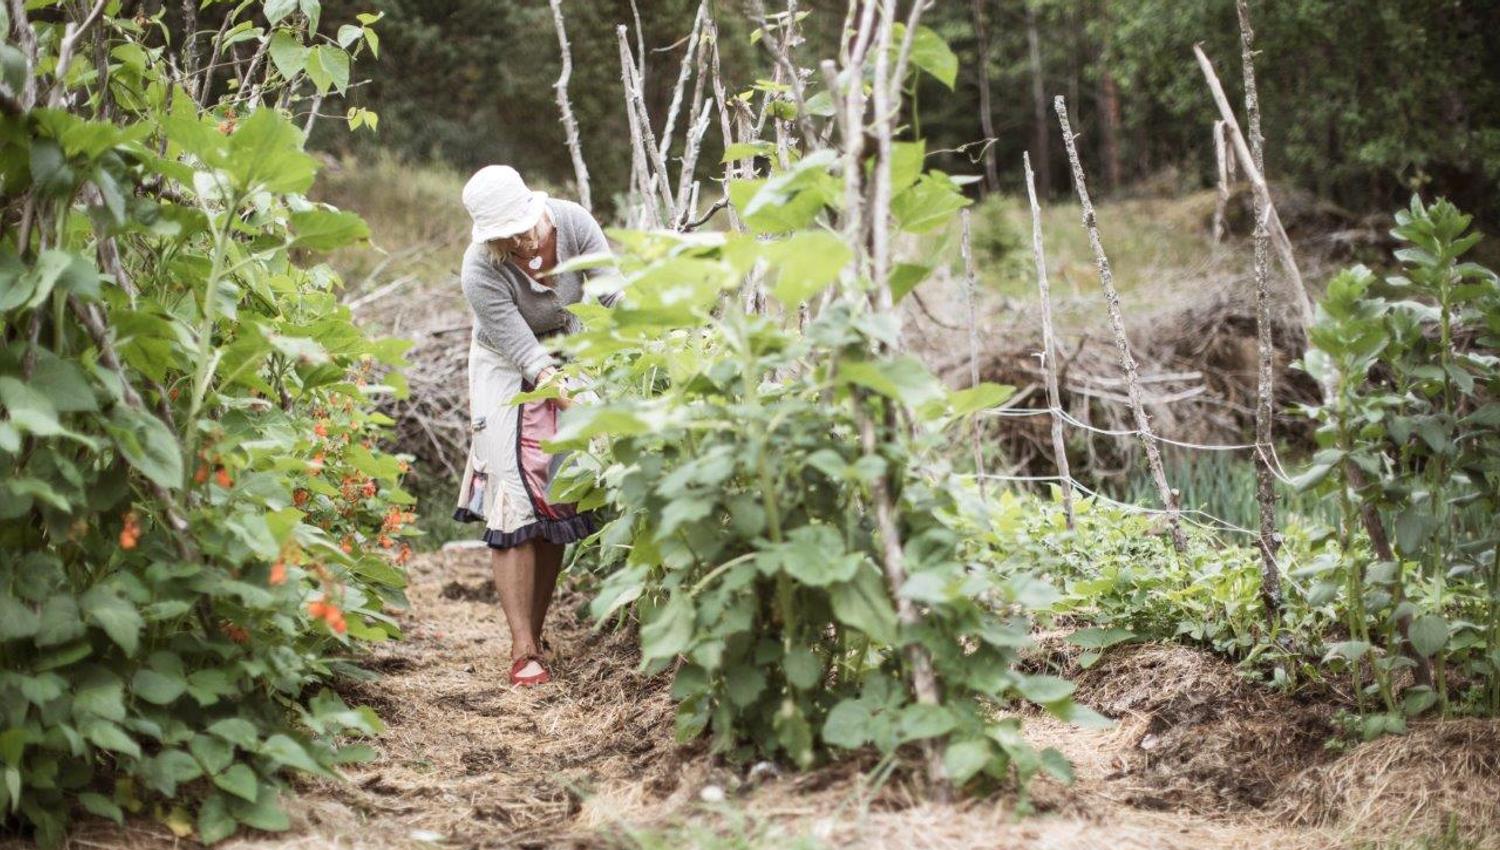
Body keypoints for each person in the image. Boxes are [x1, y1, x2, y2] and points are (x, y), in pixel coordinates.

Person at [453, 165, 616, 687]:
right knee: (513, 493)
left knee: (558, 489)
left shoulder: (573, 223)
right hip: (505, 361)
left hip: (568, 347)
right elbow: (522, 350)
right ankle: (521, 645)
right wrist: (561, 392)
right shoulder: (480, 269)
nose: (523, 241)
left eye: (526, 227)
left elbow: (614, 294)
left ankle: (538, 634)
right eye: (508, 237)